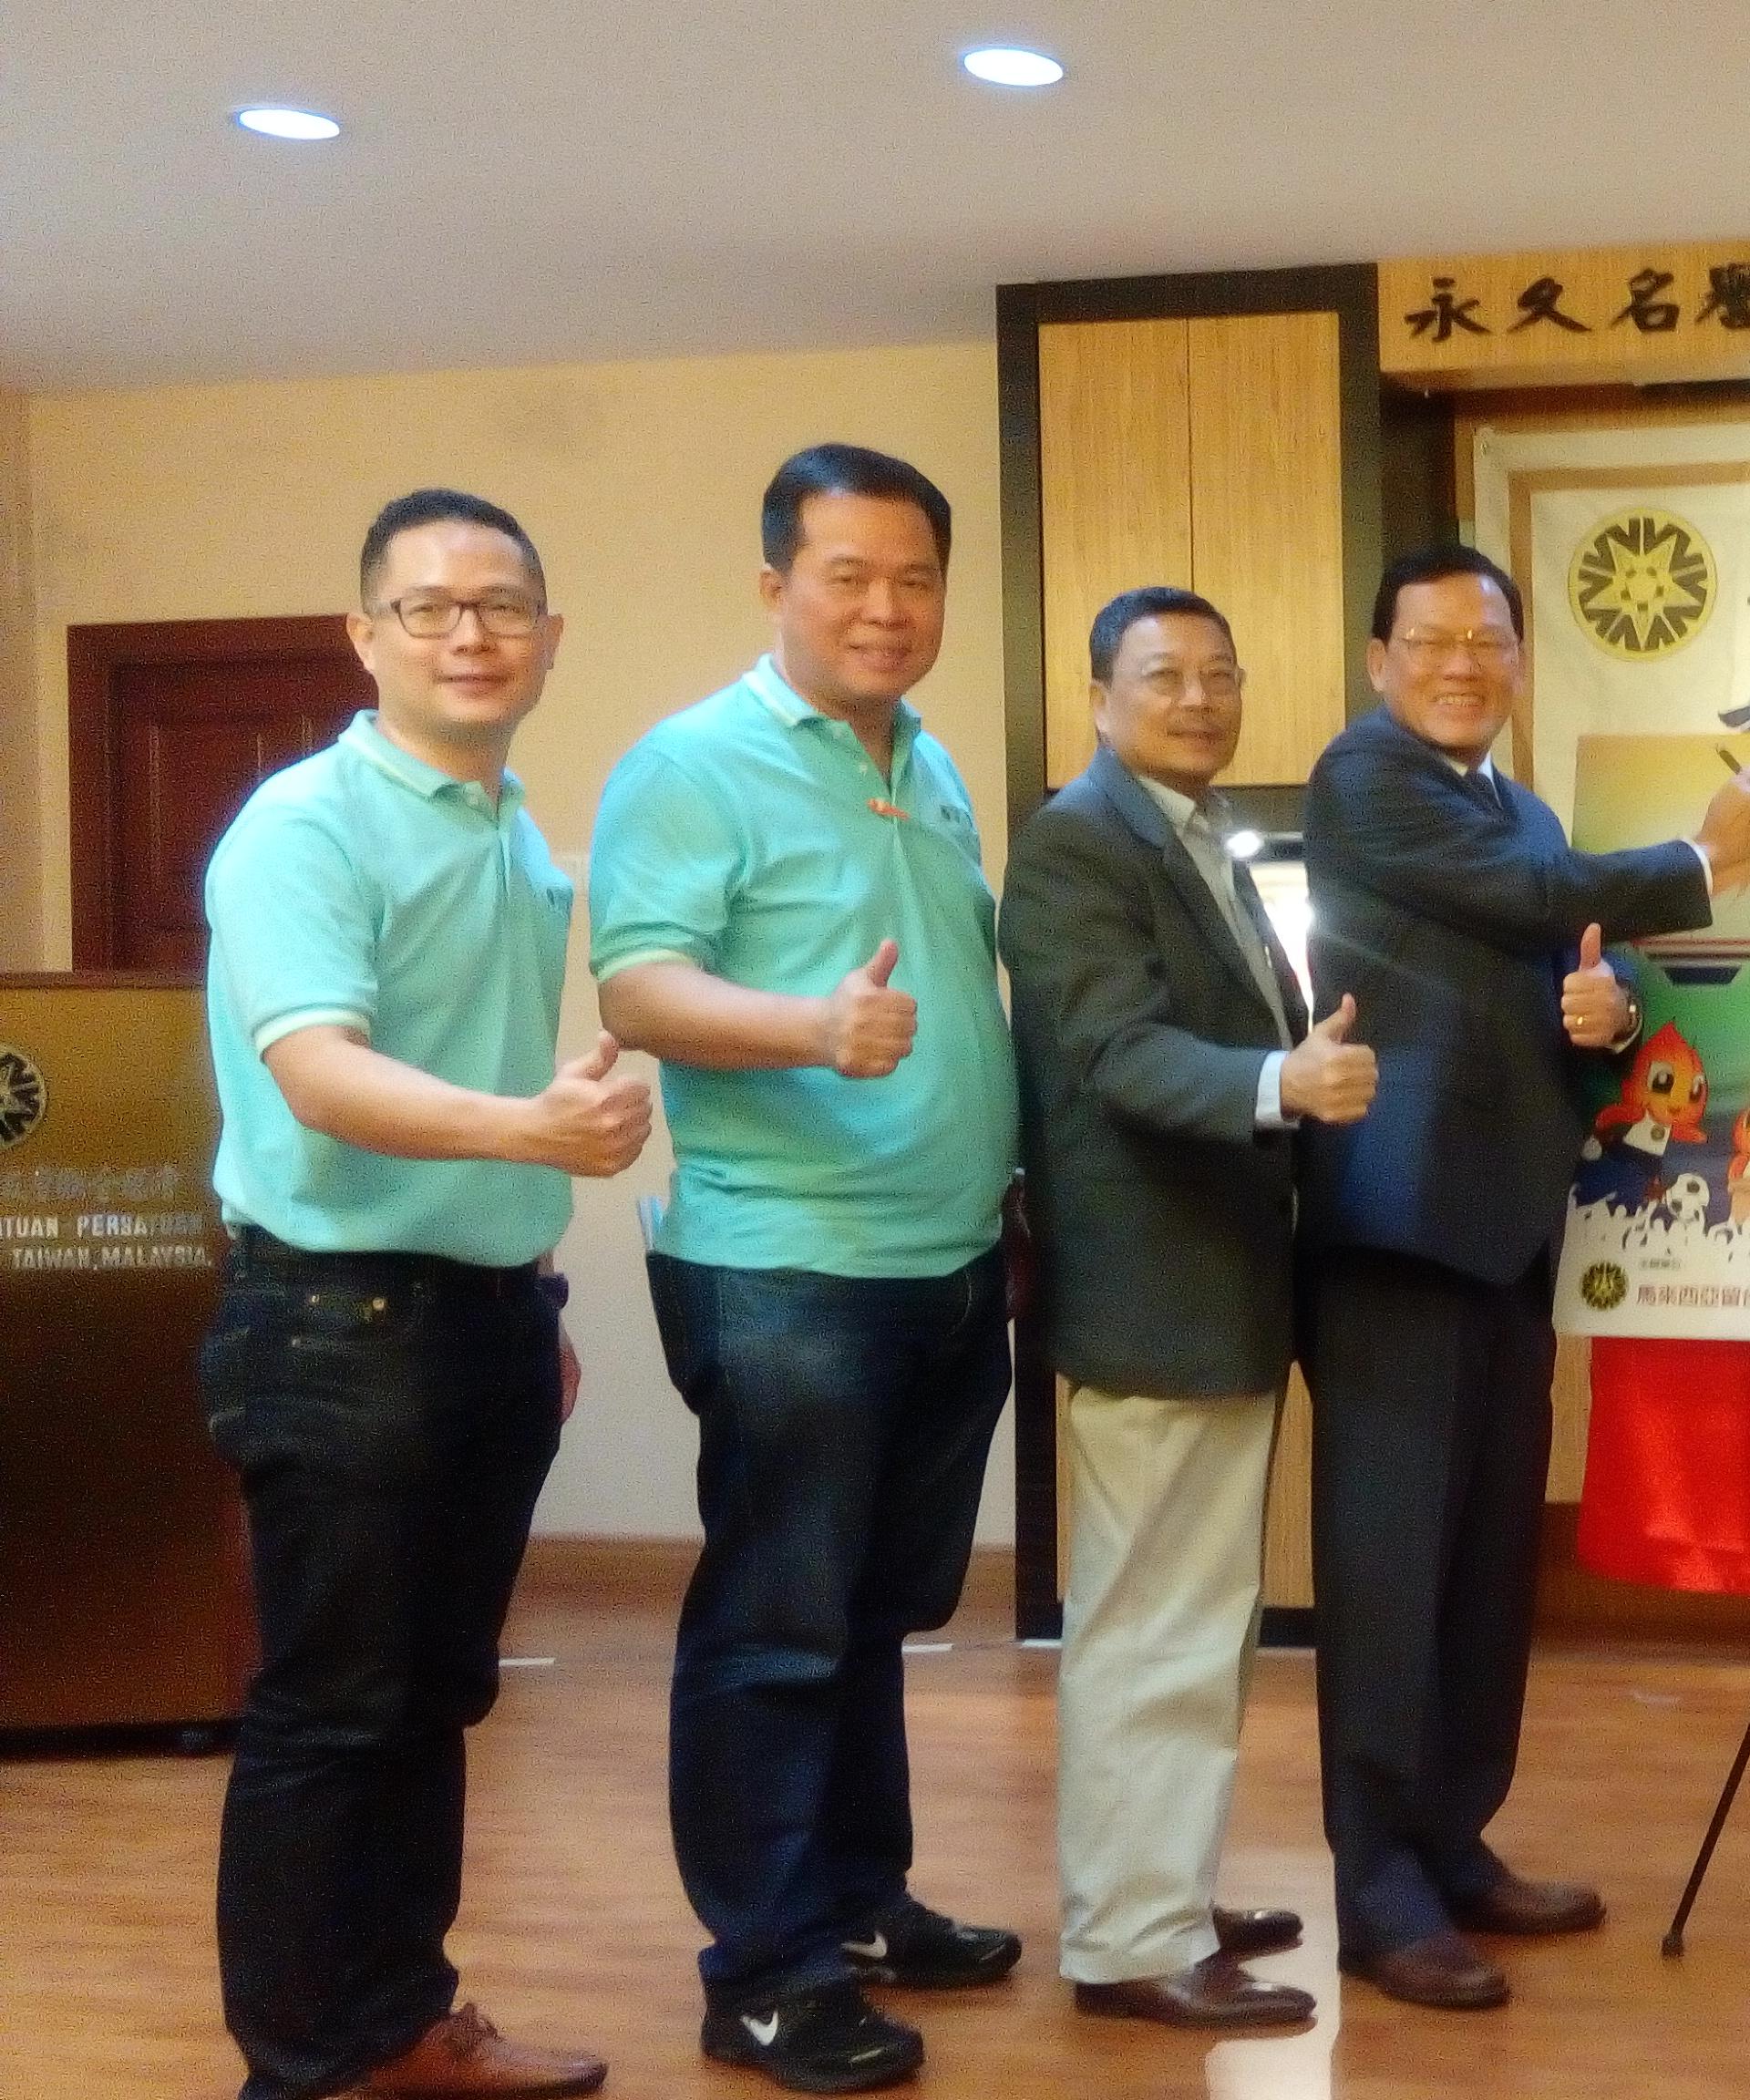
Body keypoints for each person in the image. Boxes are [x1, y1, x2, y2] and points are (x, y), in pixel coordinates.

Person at [198, 489, 645, 2100]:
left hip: (475, 1321)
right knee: (333, 1717)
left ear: (548, 637)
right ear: (363, 634)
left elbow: (470, 1084)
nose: (470, 634)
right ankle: (303, 2067)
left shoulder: (511, 824)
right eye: (430, 606)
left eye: (502, 606)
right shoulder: (304, 825)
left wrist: (530, 1279)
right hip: (335, 1324)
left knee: (429, 1703)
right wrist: (535, 1133)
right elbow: (319, 1074)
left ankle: (395, 2023)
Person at [1298, 543, 1750, 2010]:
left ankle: (1453, 1843)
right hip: (1397, 1226)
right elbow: (1547, 894)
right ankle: (1381, 1891)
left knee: (1484, 1565)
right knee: (1390, 1573)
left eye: (1489, 638)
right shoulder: (1359, 777)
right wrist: (1705, 861)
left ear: (1519, 662)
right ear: (1380, 663)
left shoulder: (1512, 804)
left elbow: (1552, 945)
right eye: (1432, 639)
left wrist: (1604, 1001)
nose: (1462, 662)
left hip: (1508, 1225)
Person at [591, 444, 1021, 2094]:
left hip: (945, 1258)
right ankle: (765, 1972)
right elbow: (637, 987)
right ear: (775, 583)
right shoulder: (693, 764)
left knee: (863, 1618)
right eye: (848, 574)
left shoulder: (923, 759)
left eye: (917, 578)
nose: (888, 608)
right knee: (778, 1625)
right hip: (787, 1267)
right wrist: (811, 1030)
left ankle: (858, 1898)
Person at [1003, 586, 1375, 2033]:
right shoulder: (1077, 841)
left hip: (1214, 1292)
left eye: (1221, 673)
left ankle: (1159, 1884)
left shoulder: (1187, 834)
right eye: (1165, 675)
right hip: (1150, 1300)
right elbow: (1110, 1055)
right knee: (1149, 1631)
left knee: (1197, 1625)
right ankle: (1127, 1938)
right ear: (1099, 695)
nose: (1201, 698)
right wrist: (1277, 1083)